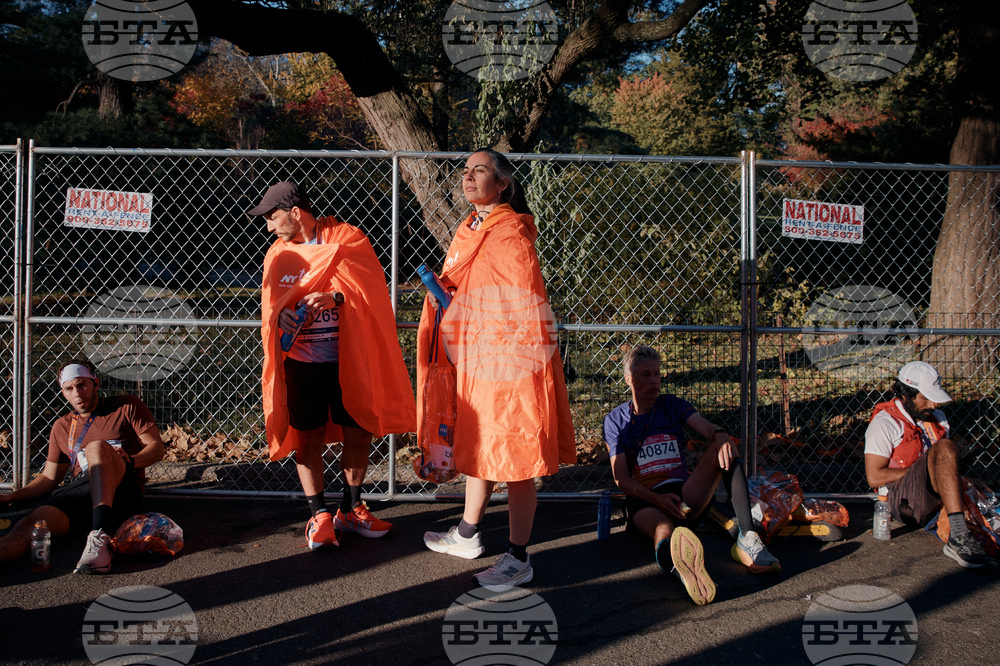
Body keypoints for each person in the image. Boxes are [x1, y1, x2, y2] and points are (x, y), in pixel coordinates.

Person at [419, 149, 576, 592]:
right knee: (480, 441)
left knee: (517, 455)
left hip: (511, 361)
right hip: (476, 356)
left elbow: (518, 307)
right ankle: (468, 533)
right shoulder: (470, 228)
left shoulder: (511, 233)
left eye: (480, 171)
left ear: (503, 183)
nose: (468, 177)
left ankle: (518, 557)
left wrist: (461, 306)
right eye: (465, 171)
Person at [251, 180, 415, 550]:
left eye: (273, 217)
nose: (269, 226)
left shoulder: (347, 239)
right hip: (302, 363)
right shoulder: (277, 254)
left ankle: (351, 508)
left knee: (358, 433)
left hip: (348, 361)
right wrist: (280, 317)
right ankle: (319, 514)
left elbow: (371, 292)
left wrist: (336, 297)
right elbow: (270, 308)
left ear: (295, 213)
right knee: (306, 437)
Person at [603, 345, 780, 606]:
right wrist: (657, 499)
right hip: (646, 500)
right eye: (645, 375)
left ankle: (748, 538)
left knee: (725, 445)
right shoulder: (615, 420)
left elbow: (706, 428)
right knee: (664, 531)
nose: (654, 381)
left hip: (684, 494)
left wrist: (720, 434)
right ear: (629, 379)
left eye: (657, 374)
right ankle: (683, 571)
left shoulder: (671, 404)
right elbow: (621, 480)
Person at [0, 359, 163, 574]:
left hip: (122, 488)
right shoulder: (61, 426)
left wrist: (131, 460)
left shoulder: (126, 406)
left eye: (82, 385)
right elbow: (49, 478)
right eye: (69, 388)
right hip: (82, 493)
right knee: (31, 525)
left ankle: (99, 536)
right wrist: (11, 497)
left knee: (96, 447)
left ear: (96, 383)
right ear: (63, 393)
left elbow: (156, 448)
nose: (77, 393)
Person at [864, 361, 997, 568]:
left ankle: (963, 531)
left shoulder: (938, 418)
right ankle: (959, 537)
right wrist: (929, 469)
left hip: (934, 496)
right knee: (945, 447)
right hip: (903, 503)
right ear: (906, 395)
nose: (933, 405)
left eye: (933, 398)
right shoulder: (886, 422)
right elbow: (874, 477)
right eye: (925, 398)